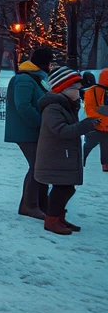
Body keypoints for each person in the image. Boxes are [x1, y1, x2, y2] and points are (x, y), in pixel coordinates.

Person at [35, 68, 99, 236]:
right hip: (56, 156)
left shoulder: (66, 106)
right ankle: (52, 220)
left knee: (66, 188)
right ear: (64, 89)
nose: (79, 93)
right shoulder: (53, 108)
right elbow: (61, 131)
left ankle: (58, 217)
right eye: (76, 90)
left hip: (62, 155)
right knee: (62, 189)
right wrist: (85, 125)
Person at [5, 47, 53, 219]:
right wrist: (41, 124)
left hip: (31, 130)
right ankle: (30, 205)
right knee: (37, 167)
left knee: (39, 167)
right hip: (27, 131)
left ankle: (37, 203)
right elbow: (23, 106)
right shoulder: (26, 79)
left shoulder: (34, 78)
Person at [82, 69, 108, 171]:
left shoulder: (91, 91)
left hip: (97, 126)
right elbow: (90, 111)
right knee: (87, 148)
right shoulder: (92, 91)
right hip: (95, 128)